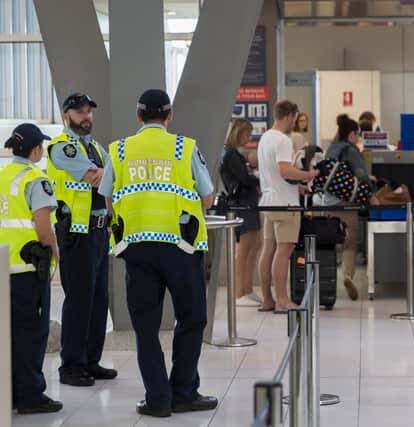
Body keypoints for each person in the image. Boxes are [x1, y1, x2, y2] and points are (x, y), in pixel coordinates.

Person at [99, 89, 216, 418]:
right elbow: (206, 198)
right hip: (181, 246)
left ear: (138, 116)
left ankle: (158, 400)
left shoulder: (119, 150)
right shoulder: (184, 147)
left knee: (146, 327)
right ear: (169, 115)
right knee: (191, 318)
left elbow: (108, 199)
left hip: (137, 250)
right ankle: (183, 393)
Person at [0, 124, 62, 414]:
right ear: (36, 149)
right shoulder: (34, 179)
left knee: (9, 335)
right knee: (31, 334)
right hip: (28, 271)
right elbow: (43, 225)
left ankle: (11, 394)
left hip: (0, 270)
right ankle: (30, 397)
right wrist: (55, 252)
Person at [46, 93, 116, 387]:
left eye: (89, 111)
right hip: (76, 231)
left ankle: (91, 360)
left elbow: (109, 180)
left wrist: (108, 175)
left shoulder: (96, 147)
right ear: (66, 116)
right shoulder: (62, 147)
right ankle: (71, 366)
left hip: (100, 230)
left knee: (99, 299)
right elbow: (99, 179)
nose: (86, 116)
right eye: (79, 112)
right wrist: (108, 174)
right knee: (79, 299)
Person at [257, 100, 317, 313]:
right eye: (295, 117)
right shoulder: (283, 140)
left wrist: (297, 188)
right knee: (284, 251)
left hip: (268, 201)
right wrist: (308, 176)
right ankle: (282, 300)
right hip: (285, 204)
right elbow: (284, 170)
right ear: (290, 116)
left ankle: (267, 300)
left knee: (268, 250)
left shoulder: (265, 137)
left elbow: (273, 173)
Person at [325, 116, 378, 301]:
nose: (358, 138)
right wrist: (372, 195)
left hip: (327, 202)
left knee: (331, 243)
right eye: (358, 134)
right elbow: (361, 175)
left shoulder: (331, 148)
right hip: (346, 202)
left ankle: (327, 281)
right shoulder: (351, 150)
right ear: (352, 134)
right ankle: (347, 277)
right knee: (349, 243)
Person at [218, 118, 262, 306]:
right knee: (244, 249)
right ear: (238, 133)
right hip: (241, 204)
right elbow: (244, 179)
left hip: (248, 203)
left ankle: (247, 288)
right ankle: (239, 292)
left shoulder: (234, 154)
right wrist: (260, 177)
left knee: (254, 245)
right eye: (247, 134)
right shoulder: (230, 155)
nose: (248, 138)